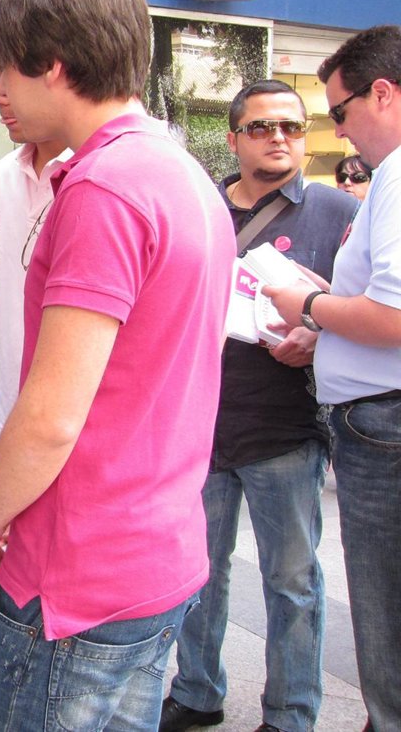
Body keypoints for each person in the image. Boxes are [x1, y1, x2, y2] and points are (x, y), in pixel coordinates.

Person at [0, 0, 234, 729]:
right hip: (152, 554)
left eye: (5, 72)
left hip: (73, 581)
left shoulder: (104, 187)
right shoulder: (183, 176)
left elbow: (50, 416)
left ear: (54, 64)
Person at [161, 80, 358, 732]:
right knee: (198, 574)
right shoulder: (200, 206)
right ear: (234, 138)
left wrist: (319, 333)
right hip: (200, 425)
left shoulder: (337, 211)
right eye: (262, 127)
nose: (279, 138)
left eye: (292, 128)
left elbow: (368, 307)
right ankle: (196, 693)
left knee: (292, 582)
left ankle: (291, 714)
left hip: (287, 430)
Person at [262, 24, 401, 732]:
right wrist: (328, 321)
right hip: (376, 414)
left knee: (383, 608)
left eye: (338, 113)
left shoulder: (397, 173)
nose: (339, 133)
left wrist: (309, 306)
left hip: (383, 421)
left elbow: (395, 315)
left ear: (383, 93)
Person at [0, 77, 70, 504]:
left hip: (70, 416)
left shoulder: (101, 174)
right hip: (9, 401)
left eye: (10, 78)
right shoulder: (6, 174)